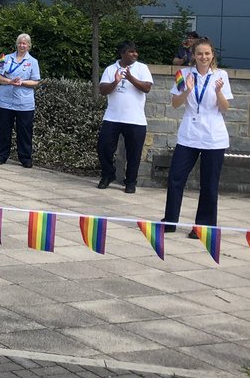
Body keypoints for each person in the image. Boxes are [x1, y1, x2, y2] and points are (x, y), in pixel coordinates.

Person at [162, 38, 232, 235]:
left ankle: (203, 226)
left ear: (212, 55)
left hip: (213, 135)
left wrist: (218, 92)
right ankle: (170, 220)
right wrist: (187, 90)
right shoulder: (182, 74)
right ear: (193, 55)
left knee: (209, 184)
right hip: (189, 133)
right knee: (176, 177)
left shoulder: (221, 75)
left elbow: (225, 108)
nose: (203, 57)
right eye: (200, 53)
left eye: (207, 53)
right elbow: (175, 103)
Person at [96, 40, 154, 193]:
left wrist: (130, 78)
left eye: (136, 51)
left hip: (135, 119)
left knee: (134, 153)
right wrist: (115, 81)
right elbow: (103, 90)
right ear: (122, 53)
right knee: (104, 148)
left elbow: (147, 88)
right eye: (131, 51)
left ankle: (130, 182)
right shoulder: (110, 69)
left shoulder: (142, 68)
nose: (135, 54)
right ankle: (108, 175)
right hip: (112, 118)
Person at [0, 33, 40, 168]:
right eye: (20, 43)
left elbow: (36, 81)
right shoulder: (5, 58)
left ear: (29, 46)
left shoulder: (33, 62)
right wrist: (9, 81)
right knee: (4, 130)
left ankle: (25, 157)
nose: (22, 45)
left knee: (25, 131)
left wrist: (23, 82)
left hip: (24, 103)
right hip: (5, 101)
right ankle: (2, 155)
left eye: (25, 43)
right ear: (16, 44)